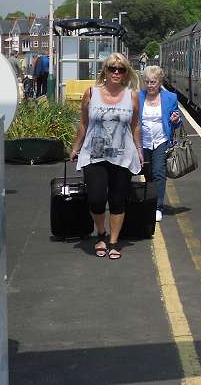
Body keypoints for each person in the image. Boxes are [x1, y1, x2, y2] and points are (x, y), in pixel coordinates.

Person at [68, 53, 143, 260]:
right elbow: (84, 123)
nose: (116, 72)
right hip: (94, 153)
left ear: (126, 72)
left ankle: (113, 241)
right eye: (112, 68)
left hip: (123, 154)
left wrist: (139, 149)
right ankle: (100, 232)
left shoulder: (133, 96)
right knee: (96, 198)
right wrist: (75, 147)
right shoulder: (91, 93)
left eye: (121, 69)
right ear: (105, 71)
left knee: (118, 199)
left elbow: (135, 125)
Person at [139, 66, 182, 222]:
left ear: (160, 82)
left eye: (153, 82)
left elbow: (177, 119)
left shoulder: (170, 97)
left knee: (158, 172)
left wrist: (176, 119)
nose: (150, 85)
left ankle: (157, 207)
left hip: (161, 140)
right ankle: (149, 201)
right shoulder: (138, 96)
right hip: (143, 142)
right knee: (148, 173)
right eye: (147, 82)